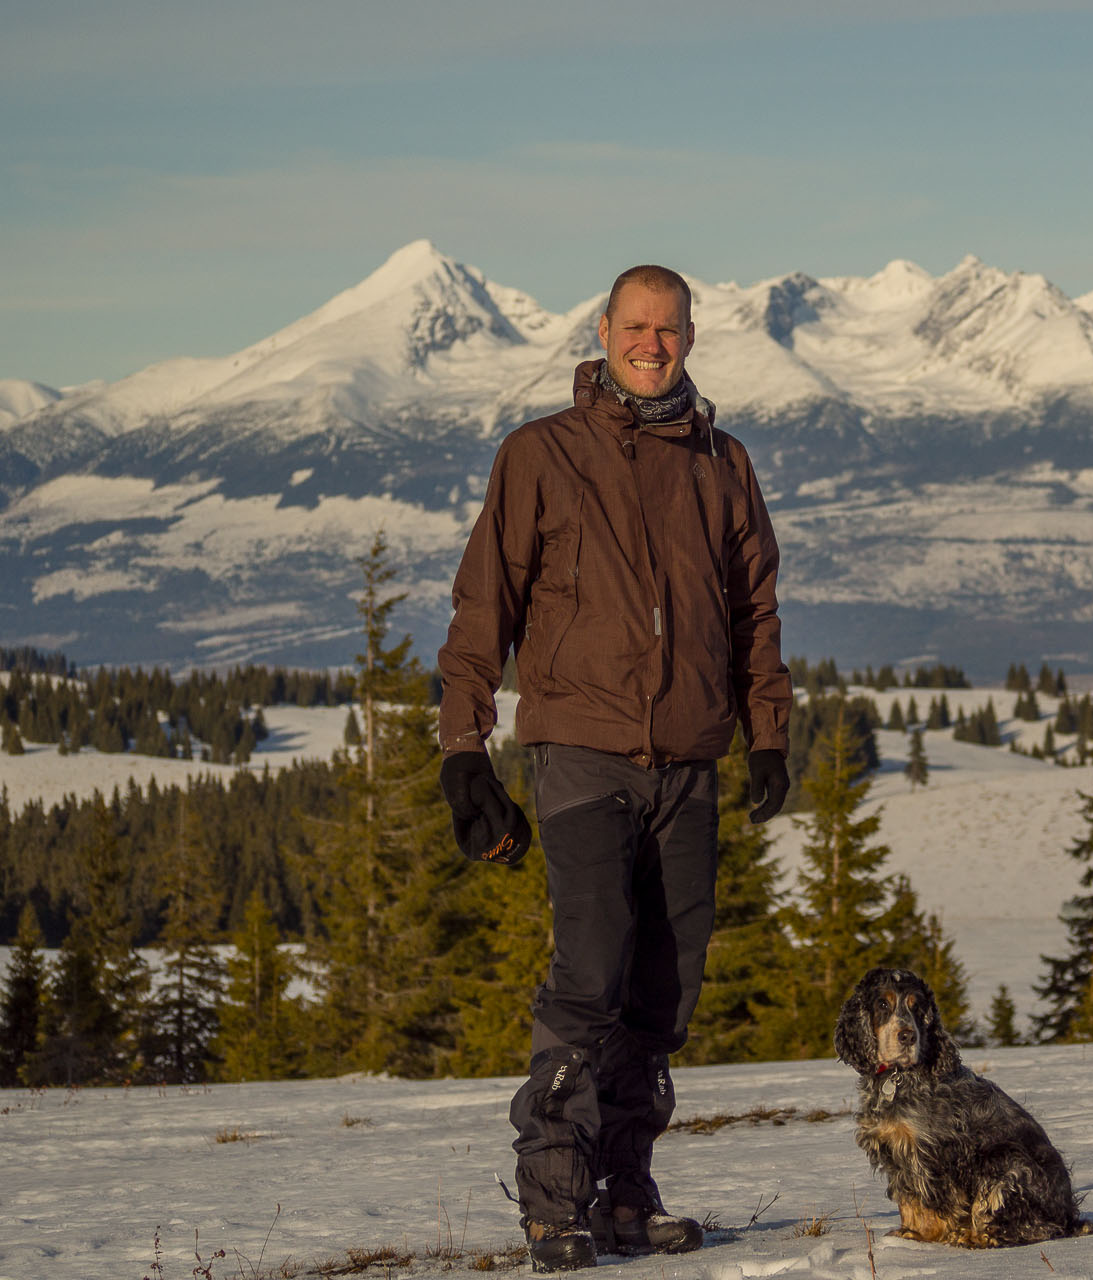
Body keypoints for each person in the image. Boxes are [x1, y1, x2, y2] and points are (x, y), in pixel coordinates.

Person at [436, 263, 792, 1272]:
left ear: (691, 335)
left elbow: (754, 611)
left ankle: (628, 1194)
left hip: (688, 760)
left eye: (670, 327)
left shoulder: (723, 461)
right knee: (589, 979)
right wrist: (464, 751)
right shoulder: (541, 454)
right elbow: (482, 610)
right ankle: (557, 1202)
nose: (653, 342)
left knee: (663, 994)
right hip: (583, 754)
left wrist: (766, 730)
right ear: (602, 331)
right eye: (636, 325)